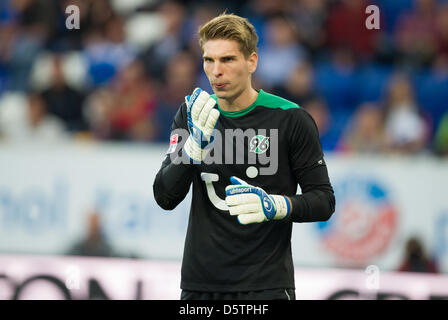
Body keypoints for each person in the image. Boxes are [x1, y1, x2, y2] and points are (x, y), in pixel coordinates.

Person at [153, 13, 335, 300]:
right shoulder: (192, 113)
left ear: (252, 61)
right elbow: (164, 196)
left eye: (227, 60)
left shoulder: (291, 119)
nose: (216, 71)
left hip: (267, 287)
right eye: (208, 60)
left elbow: (324, 201)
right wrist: (191, 150)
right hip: (200, 287)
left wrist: (276, 205)